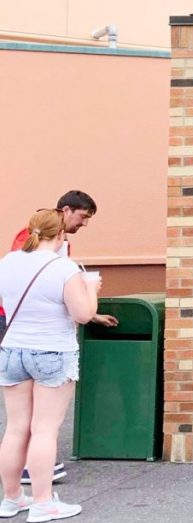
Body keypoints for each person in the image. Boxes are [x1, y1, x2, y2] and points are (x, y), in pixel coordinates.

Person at [3, 191, 115, 488]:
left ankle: (11, 498)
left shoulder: (9, 261)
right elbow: (77, 310)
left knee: (15, 428)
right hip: (50, 347)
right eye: (83, 217)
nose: (84, 224)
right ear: (64, 213)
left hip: (14, 346)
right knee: (44, 429)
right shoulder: (60, 263)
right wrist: (90, 291)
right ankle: (42, 500)